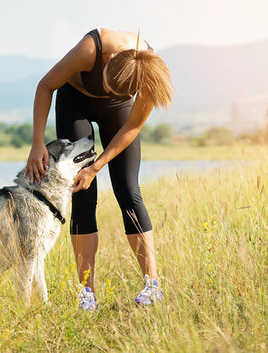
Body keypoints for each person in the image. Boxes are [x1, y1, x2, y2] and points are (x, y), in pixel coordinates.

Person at [25, 27, 174, 309]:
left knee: (129, 190)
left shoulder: (147, 72)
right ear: (110, 59)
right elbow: (45, 86)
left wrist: (96, 167)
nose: (104, 92)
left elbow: (132, 126)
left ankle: (152, 285)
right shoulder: (90, 49)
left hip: (118, 112)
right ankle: (87, 293)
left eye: (111, 90)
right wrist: (37, 144)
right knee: (82, 193)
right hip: (74, 103)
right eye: (105, 86)